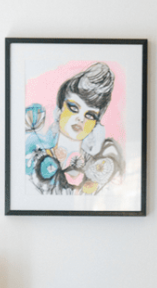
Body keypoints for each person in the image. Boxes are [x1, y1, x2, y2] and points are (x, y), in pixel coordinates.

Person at [25, 61, 124, 196]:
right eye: (74, 108)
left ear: (95, 124)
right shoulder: (36, 159)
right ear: (59, 112)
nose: (81, 119)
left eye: (89, 115)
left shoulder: (97, 170)